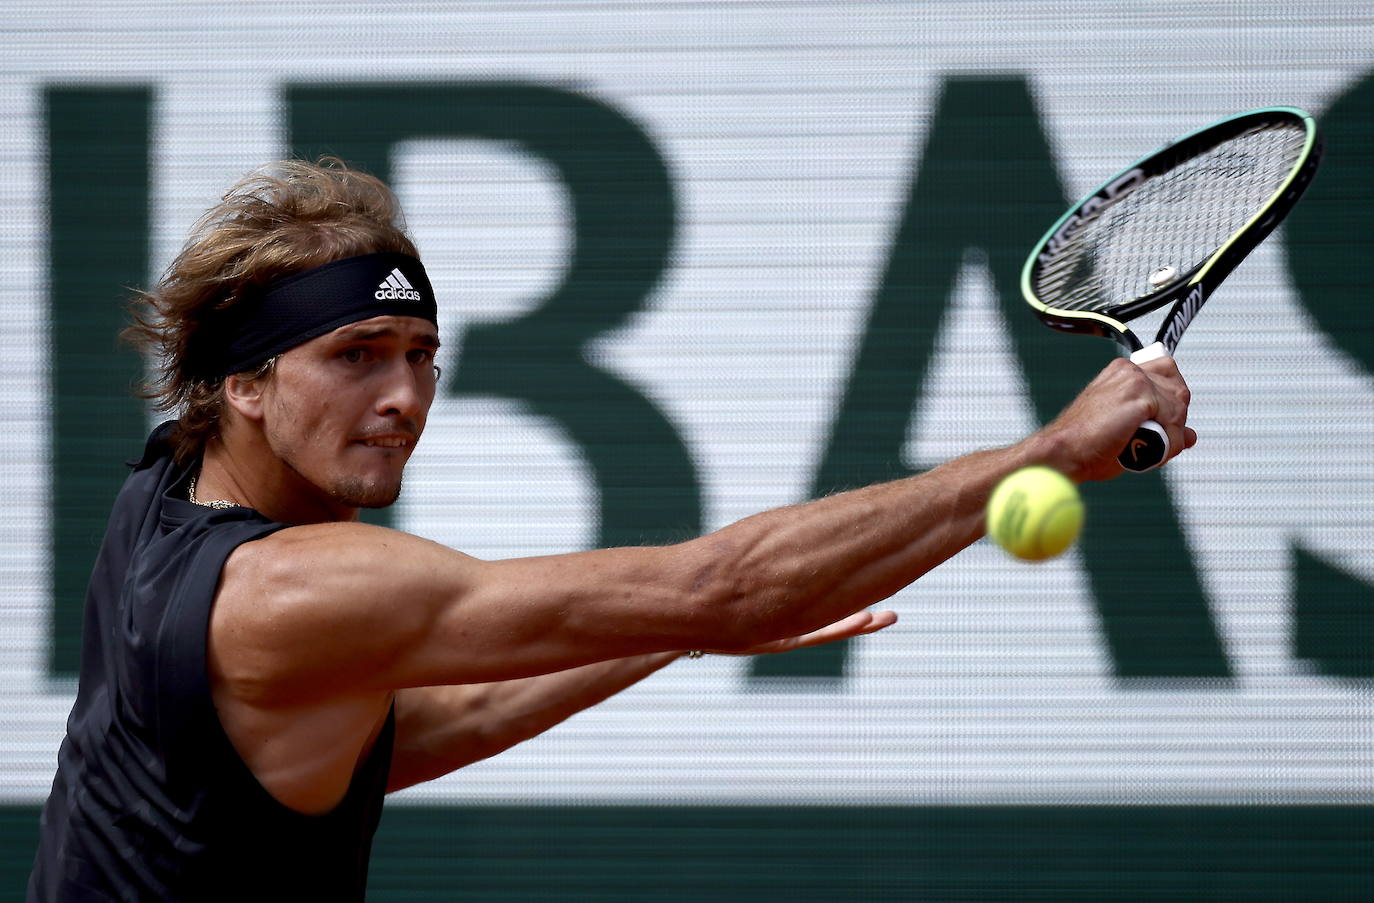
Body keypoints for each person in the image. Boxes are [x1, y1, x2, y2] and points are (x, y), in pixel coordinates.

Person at [28, 159, 1194, 901]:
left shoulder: (162, 499)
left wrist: (672, 637)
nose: (401, 399)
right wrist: (1050, 453)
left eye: (421, 358)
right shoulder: (294, 592)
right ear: (243, 384)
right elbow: (725, 584)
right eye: (354, 357)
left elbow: (403, 734)